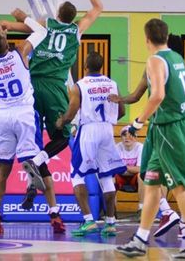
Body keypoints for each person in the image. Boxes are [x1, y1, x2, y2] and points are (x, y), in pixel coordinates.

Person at [0, 0, 102, 233]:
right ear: (72, 18)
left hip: (30, 90)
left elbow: (9, 26)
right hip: (55, 89)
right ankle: (42, 169)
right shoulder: (76, 30)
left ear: (57, 13)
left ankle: (2, 209)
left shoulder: (41, 27)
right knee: (61, 137)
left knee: (8, 163)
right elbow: (98, 8)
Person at [116, 18, 185, 260]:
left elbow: (157, 95)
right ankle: (140, 239)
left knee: (179, 187)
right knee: (151, 184)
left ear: (147, 39)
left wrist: (138, 122)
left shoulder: (155, 60)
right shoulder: (177, 58)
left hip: (169, 130)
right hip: (165, 129)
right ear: (166, 37)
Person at [55, 51, 126, 236]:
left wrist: (62, 121)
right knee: (106, 176)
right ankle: (110, 223)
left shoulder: (80, 85)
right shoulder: (112, 84)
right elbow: (122, 111)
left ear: (85, 66)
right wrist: (107, 121)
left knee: (77, 174)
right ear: (101, 66)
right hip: (107, 129)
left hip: (88, 130)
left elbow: (71, 112)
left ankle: (88, 221)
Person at [0, 31, 46, 234]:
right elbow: (41, 32)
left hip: (1, 117)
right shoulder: (19, 52)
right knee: (31, 156)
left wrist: (1, 35)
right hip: (23, 113)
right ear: (6, 44)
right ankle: (29, 171)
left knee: (2, 169)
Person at [115, 126, 144, 217]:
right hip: (121, 178)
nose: (127, 138)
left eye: (130, 135)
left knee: (142, 175)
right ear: (121, 137)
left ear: (135, 137)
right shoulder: (117, 147)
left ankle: (141, 209)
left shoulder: (140, 147)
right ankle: (111, 210)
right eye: (124, 135)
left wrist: (124, 168)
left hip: (135, 179)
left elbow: (140, 169)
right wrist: (132, 169)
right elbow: (114, 169)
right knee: (110, 176)